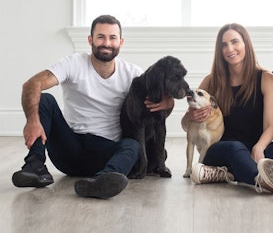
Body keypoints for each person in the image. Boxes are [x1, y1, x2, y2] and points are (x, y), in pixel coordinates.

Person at [12, 15, 174, 199]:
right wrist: (32, 120)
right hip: (69, 147)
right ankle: (35, 166)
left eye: (112, 38)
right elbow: (32, 84)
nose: (106, 43)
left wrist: (169, 103)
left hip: (105, 151)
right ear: (90, 40)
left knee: (133, 145)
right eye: (100, 37)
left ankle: (102, 181)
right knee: (45, 99)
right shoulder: (73, 63)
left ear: (121, 42)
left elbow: (161, 99)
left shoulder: (133, 74)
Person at [183, 23, 273, 194]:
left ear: (245, 43)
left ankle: (228, 173)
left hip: (255, 151)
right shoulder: (211, 81)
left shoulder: (266, 79)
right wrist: (191, 117)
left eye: (235, 42)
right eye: (224, 45)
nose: (229, 48)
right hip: (220, 150)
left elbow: (270, 125)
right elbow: (186, 125)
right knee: (235, 148)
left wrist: (259, 147)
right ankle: (259, 179)